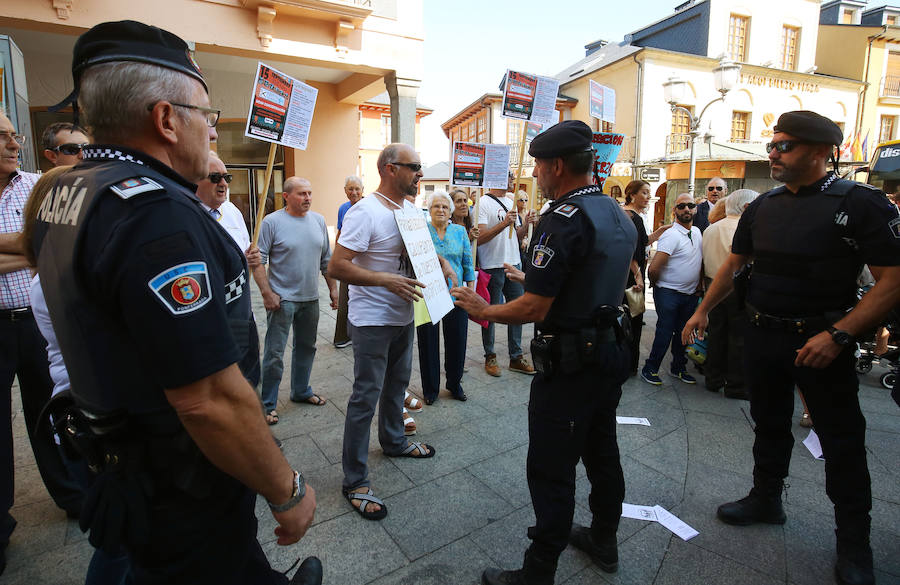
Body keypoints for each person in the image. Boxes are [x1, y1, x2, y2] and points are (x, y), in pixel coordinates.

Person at [31, 21, 321, 584]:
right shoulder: (153, 214)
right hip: (180, 474)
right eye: (207, 118)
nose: (212, 134)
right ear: (166, 120)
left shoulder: (72, 187)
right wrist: (286, 489)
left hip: (126, 454)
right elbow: (207, 398)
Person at [682, 110, 900, 585]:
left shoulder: (863, 204)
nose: (773, 153)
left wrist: (839, 334)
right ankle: (766, 498)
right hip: (762, 336)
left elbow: (892, 283)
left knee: (842, 443)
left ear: (821, 153)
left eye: (785, 146)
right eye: (773, 144)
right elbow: (736, 264)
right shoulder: (764, 206)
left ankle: (854, 545)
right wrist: (702, 310)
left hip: (822, 343)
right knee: (769, 423)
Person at [453, 120, 637, 585]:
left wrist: (486, 308)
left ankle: (539, 571)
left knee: (552, 468)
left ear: (557, 165)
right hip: (609, 352)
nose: (534, 172)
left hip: (571, 363)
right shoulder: (616, 212)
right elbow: (589, 279)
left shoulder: (562, 218)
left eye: (537, 164)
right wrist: (527, 280)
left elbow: (537, 308)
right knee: (602, 452)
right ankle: (604, 538)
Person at [328, 143, 456, 520]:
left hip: (404, 315)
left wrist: (442, 262)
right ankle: (354, 479)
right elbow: (337, 265)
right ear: (388, 169)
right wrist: (385, 280)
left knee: (397, 386)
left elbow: (418, 253)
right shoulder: (363, 212)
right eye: (414, 167)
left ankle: (394, 440)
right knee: (365, 396)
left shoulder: (410, 210)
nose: (420, 173)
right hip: (372, 320)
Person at [1, 112, 85, 576]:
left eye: (15, 134)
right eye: (3, 136)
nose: (14, 143)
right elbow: (37, 244)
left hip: (34, 322)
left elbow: (43, 240)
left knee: (49, 412)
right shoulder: (45, 189)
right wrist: (32, 247)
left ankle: (73, 494)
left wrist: (31, 245)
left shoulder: (41, 185)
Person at [254, 177, 337, 424]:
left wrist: (333, 290)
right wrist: (267, 293)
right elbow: (258, 260)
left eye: (310, 193)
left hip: (311, 298)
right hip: (283, 300)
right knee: (274, 353)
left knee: (307, 347)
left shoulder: (319, 221)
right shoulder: (272, 222)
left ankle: (301, 391)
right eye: (302, 194)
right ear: (286, 197)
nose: (308, 198)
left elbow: (326, 261)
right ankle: (268, 404)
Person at [417, 190, 475, 405]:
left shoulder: (460, 231)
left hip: (456, 293)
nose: (440, 210)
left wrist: (471, 291)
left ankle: (454, 383)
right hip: (428, 294)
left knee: (457, 341)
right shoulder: (421, 231)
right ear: (429, 210)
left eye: (444, 206)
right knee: (428, 343)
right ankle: (430, 389)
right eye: (436, 206)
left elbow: (468, 263)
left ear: (450, 210)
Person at [477, 171, 536, 377]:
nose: (513, 181)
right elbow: (480, 238)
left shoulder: (511, 201)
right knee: (491, 311)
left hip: (514, 263)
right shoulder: (483, 202)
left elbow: (516, 236)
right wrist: (503, 223)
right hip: (492, 264)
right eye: (509, 177)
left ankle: (516, 356)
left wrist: (526, 223)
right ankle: (490, 355)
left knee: (517, 310)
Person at [700, 189, 758, 399]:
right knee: (738, 336)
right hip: (735, 286)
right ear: (746, 207)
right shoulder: (744, 230)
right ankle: (735, 384)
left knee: (716, 333)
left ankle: (713, 378)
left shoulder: (710, 229)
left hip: (711, 283)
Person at [640, 192, 703, 386]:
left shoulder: (698, 232)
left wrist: (699, 287)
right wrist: (658, 285)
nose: (686, 209)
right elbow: (655, 267)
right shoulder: (671, 235)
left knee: (683, 332)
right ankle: (650, 368)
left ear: (696, 209)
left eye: (690, 205)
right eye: (681, 206)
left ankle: (678, 367)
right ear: (674, 210)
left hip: (690, 294)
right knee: (665, 331)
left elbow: (700, 262)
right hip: (668, 293)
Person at [621, 180, 671, 376]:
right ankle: (626, 365)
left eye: (649, 192)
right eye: (644, 192)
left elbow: (642, 243)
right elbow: (629, 250)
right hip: (632, 278)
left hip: (633, 275)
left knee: (633, 319)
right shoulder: (630, 216)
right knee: (631, 320)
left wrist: (659, 232)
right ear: (632, 194)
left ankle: (627, 364)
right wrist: (638, 274)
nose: (648, 196)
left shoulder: (635, 216)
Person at [333, 176, 363, 349]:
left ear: (362, 190)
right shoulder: (343, 208)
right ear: (345, 191)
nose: (354, 192)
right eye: (350, 189)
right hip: (346, 259)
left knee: (359, 297)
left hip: (362, 259)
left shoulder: (367, 208)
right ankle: (343, 336)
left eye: (357, 189)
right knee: (345, 297)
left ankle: (358, 334)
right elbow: (340, 232)